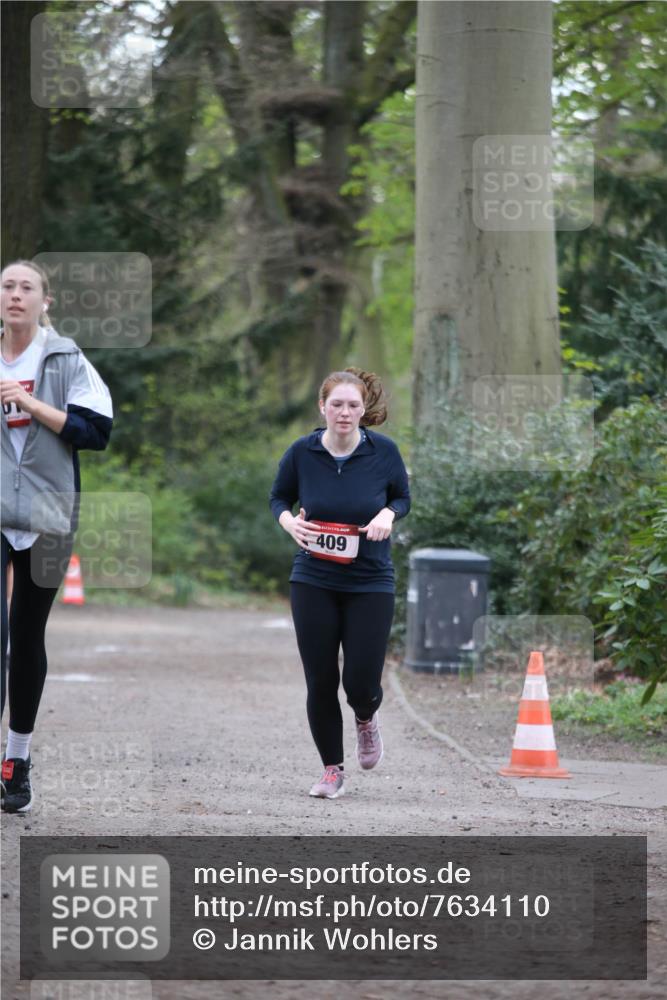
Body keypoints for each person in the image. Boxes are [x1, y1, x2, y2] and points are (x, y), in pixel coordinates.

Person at [1, 260, 113, 813]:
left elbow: (97, 433)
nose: (15, 295)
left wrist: (30, 403)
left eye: (26, 288)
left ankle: (15, 762)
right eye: (7, 287)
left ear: (46, 301)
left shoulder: (66, 359)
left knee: (25, 637)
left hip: (48, 514)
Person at [269, 368, 410, 799]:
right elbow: (279, 497)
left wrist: (388, 514)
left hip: (370, 580)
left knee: (361, 682)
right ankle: (332, 770)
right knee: (320, 679)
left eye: (352, 405)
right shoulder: (302, 452)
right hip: (314, 577)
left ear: (363, 408)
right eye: (336, 404)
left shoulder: (384, 452)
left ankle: (366, 717)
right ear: (322, 407)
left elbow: (401, 496)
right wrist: (289, 522)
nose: (344, 413)